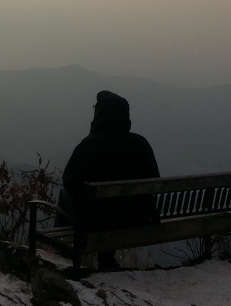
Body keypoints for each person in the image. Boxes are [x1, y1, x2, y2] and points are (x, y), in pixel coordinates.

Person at [58, 90, 160, 269]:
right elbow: (154, 180)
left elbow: (70, 182)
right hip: (138, 217)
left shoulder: (90, 144)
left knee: (64, 193)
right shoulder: (140, 143)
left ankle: (62, 250)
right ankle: (106, 258)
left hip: (97, 220)